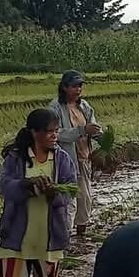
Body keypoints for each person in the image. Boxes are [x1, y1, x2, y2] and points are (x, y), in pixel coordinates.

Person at [0, 109, 77, 277]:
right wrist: (26, 185)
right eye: (49, 131)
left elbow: (71, 190)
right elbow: (5, 187)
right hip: (17, 234)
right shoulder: (16, 158)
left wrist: (53, 194)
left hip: (49, 235)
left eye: (56, 131)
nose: (54, 135)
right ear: (34, 132)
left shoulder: (61, 159)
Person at [50, 70, 101, 236]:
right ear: (64, 87)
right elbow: (56, 133)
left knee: (85, 198)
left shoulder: (84, 106)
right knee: (68, 200)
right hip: (67, 160)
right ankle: (63, 236)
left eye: (80, 85)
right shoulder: (55, 108)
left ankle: (81, 232)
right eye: (74, 86)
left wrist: (105, 142)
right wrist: (81, 130)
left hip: (84, 157)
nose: (78, 89)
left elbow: (93, 128)